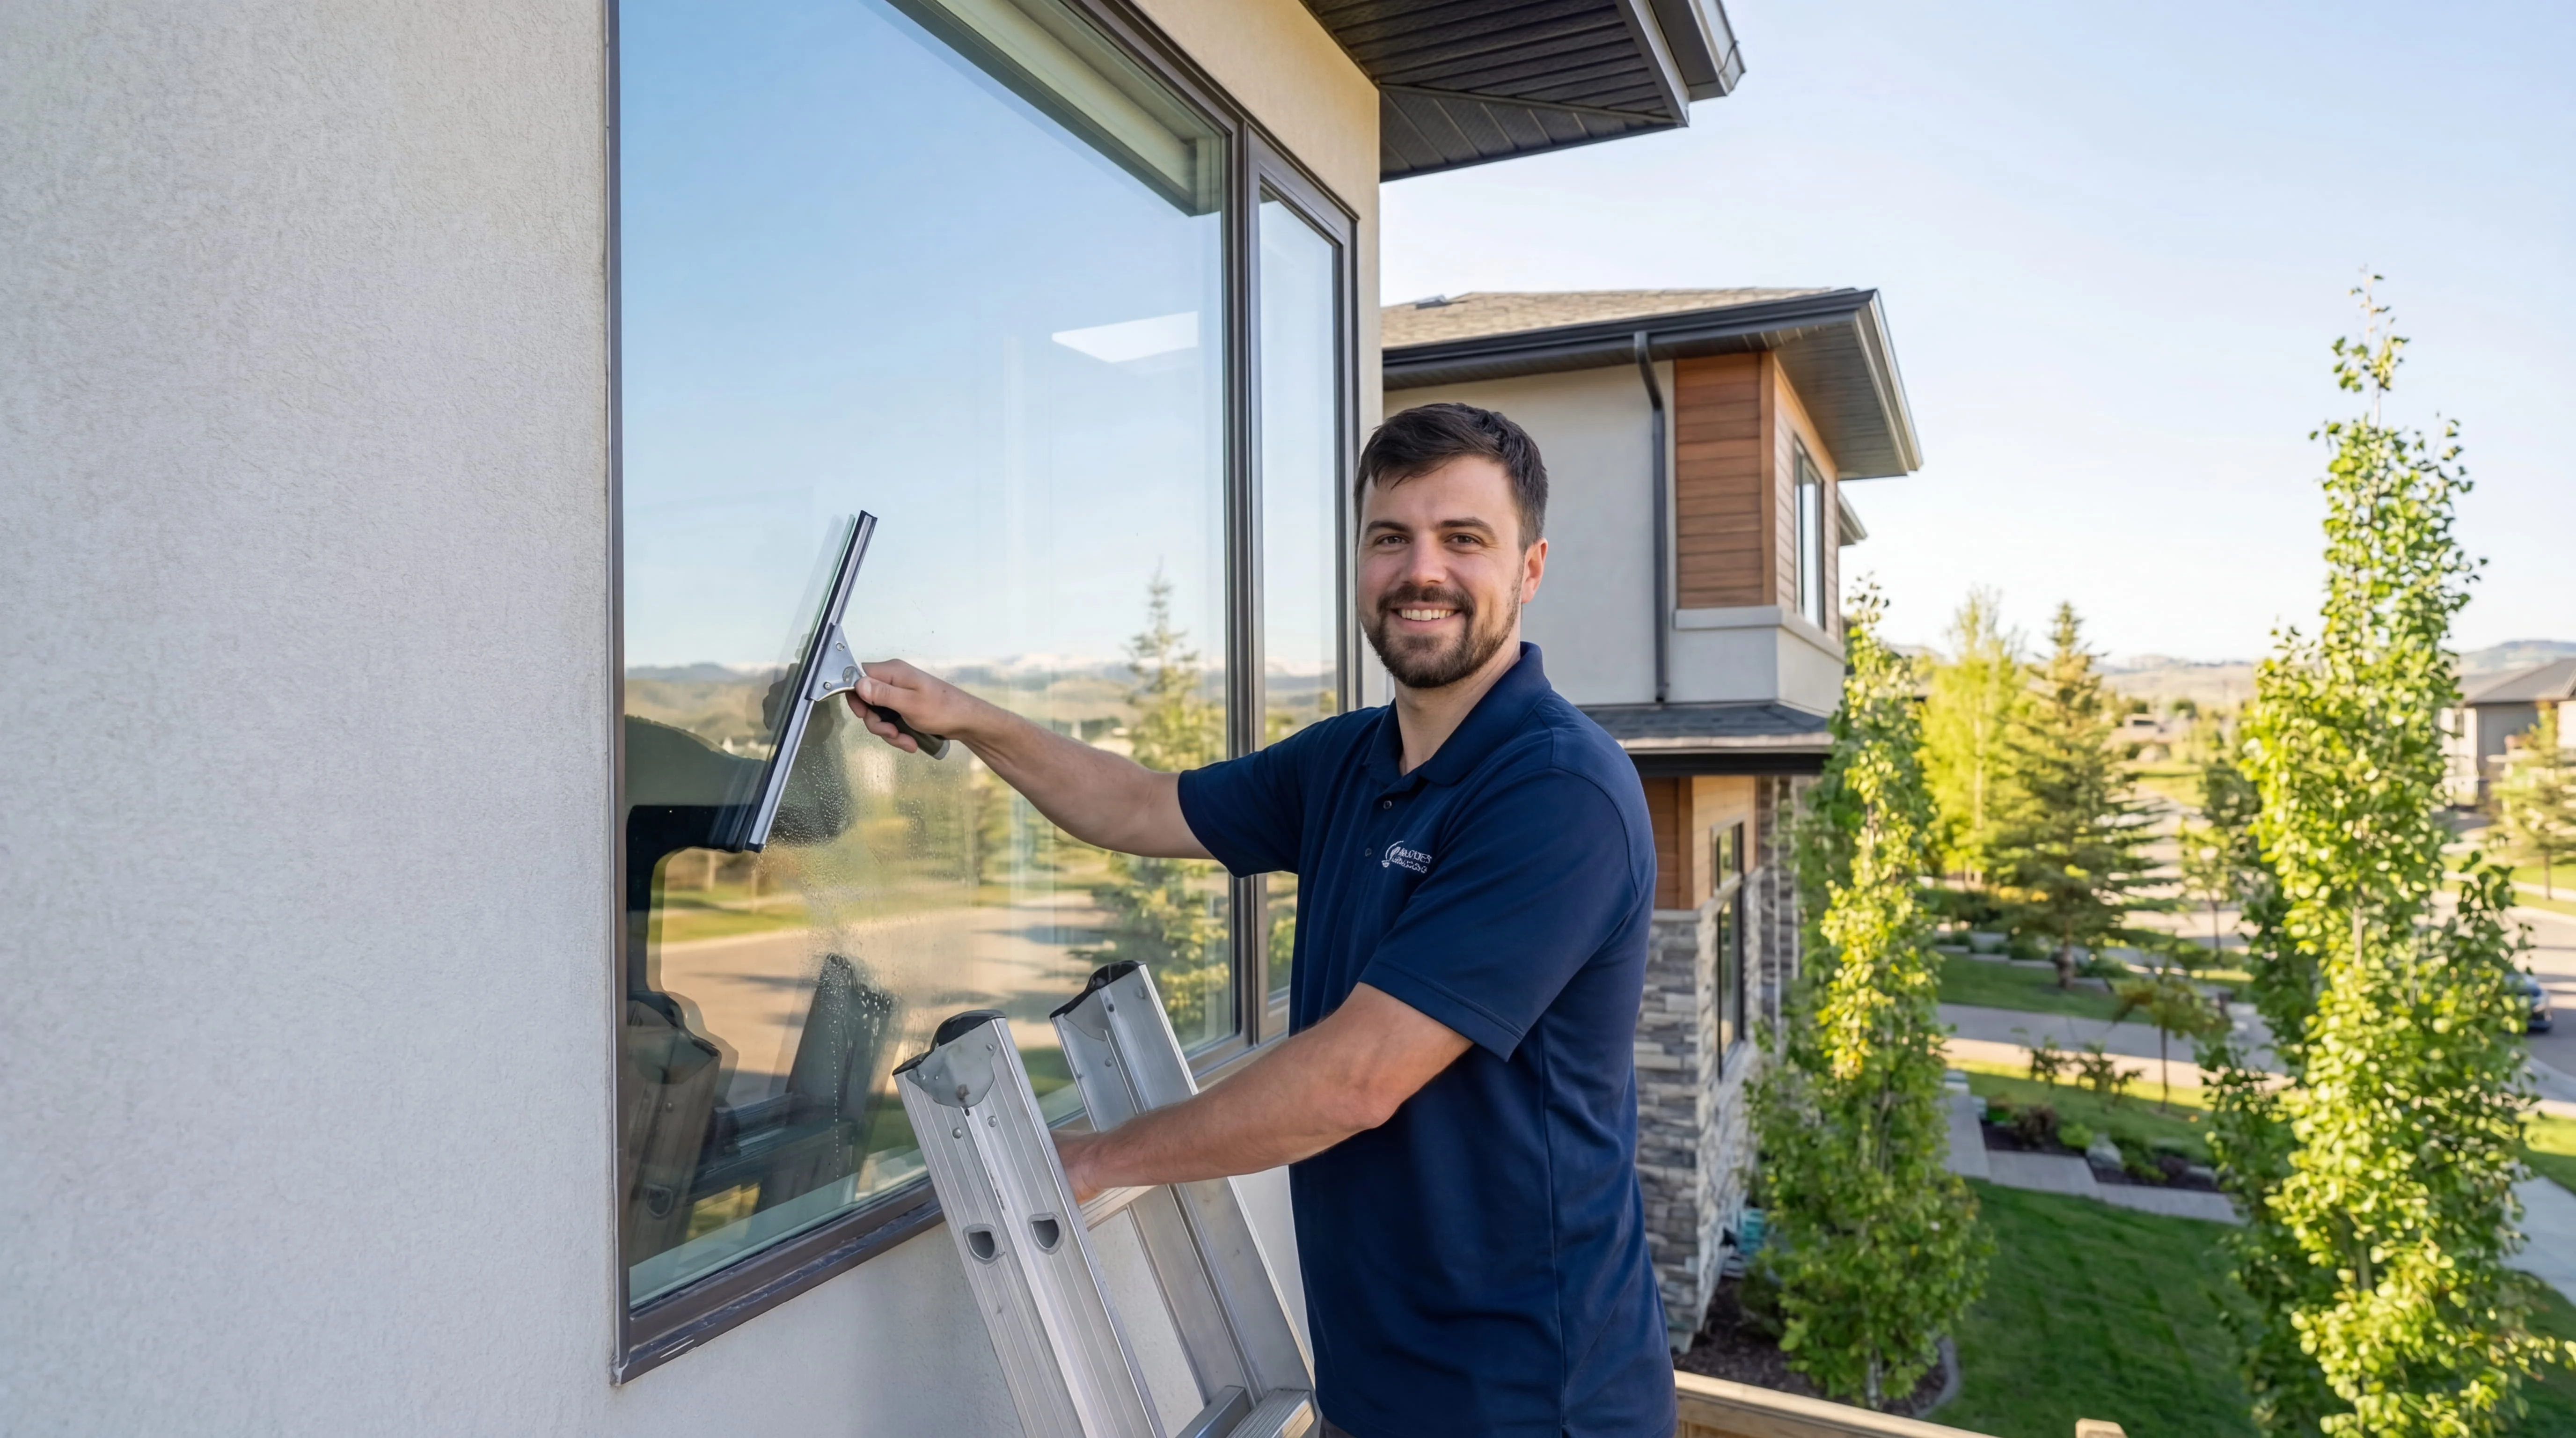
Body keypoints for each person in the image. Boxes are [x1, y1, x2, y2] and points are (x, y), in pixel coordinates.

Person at [851, 402, 1671, 1438]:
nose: (1423, 571)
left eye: (1464, 540)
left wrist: (1096, 1160)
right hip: (1377, 1391)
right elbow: (1139, 803)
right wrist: (968, 718)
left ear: (1531, 567)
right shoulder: (1348, 763)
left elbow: (1354, 1080)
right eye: (1391, 538)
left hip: (1529, 1404)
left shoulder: (1555, 792)